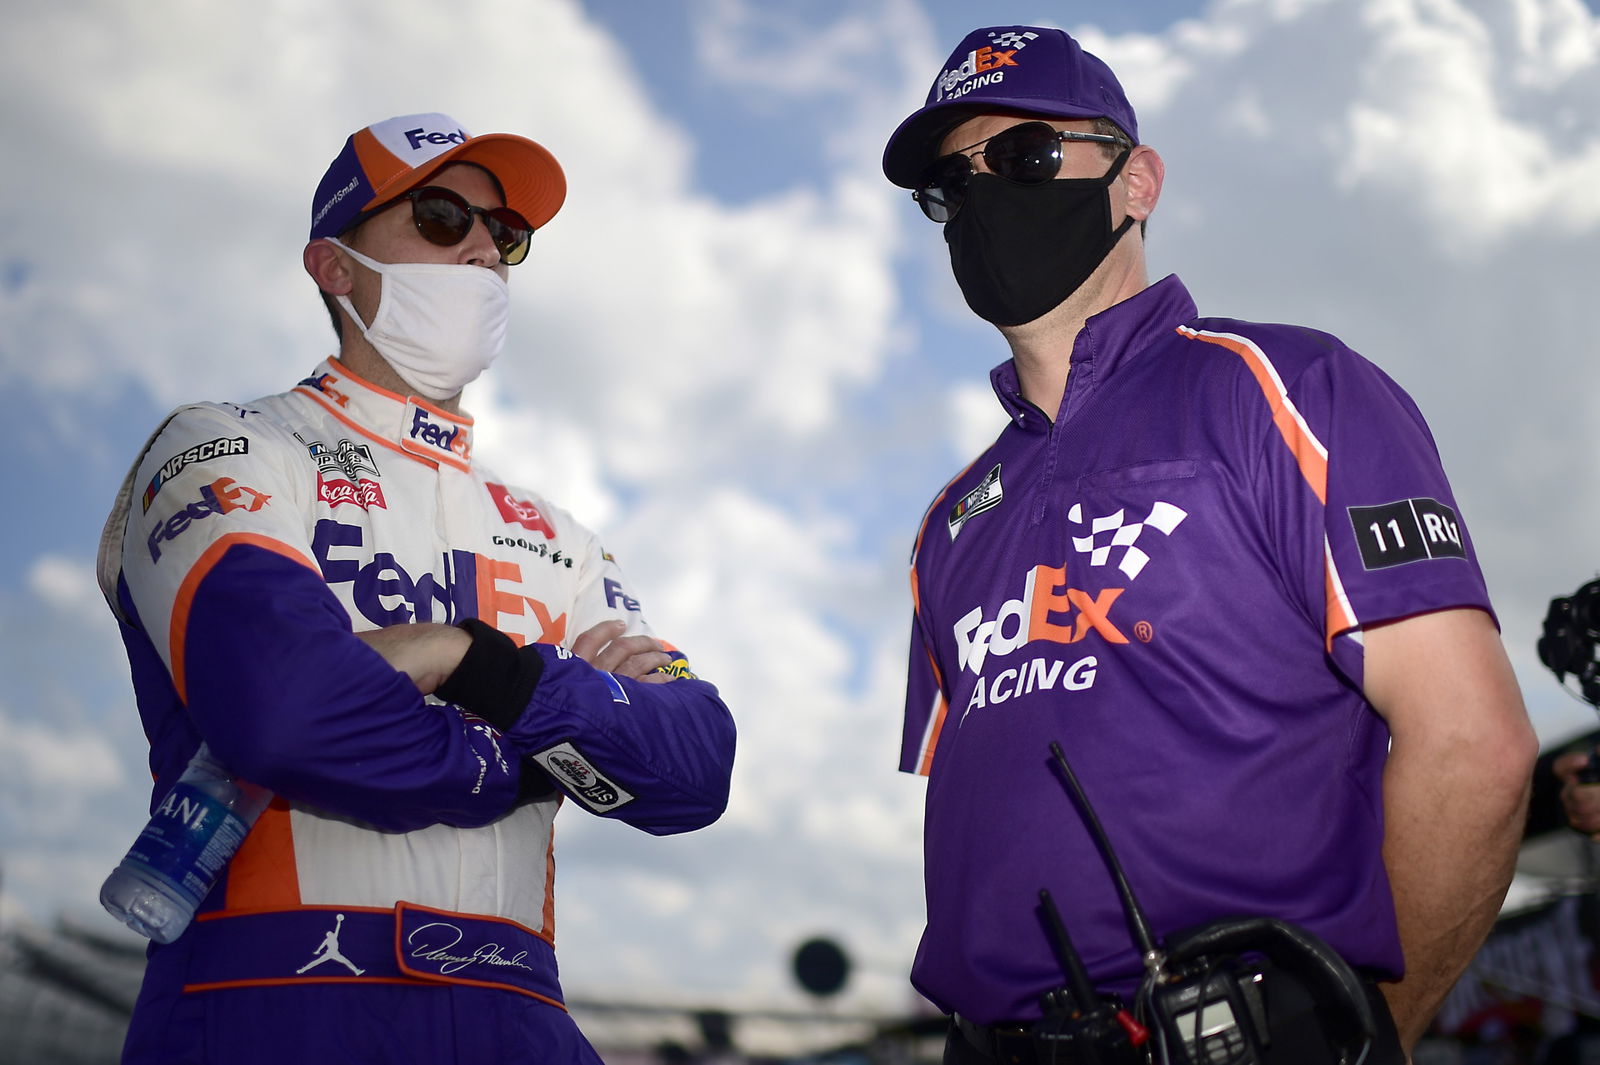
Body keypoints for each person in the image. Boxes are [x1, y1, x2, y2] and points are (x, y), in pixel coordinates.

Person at [882, 26, 1536, 1064]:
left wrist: (1370, 1037)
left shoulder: (1288, 387)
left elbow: (1475, 749)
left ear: (1135, 180)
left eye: (1026, 158)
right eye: (949, 187)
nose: (982, 197)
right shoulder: (952, 519)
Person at [96, 112, 736, 1064]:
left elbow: (693, 767)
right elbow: (283, 713)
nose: (484, 250)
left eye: (505, 235)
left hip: (520, 1020)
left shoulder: (557, 536)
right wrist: (536, 748)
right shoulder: (227, 447)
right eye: (442, 216)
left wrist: (473, 667)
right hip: (270, 1012)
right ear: (333, 266)